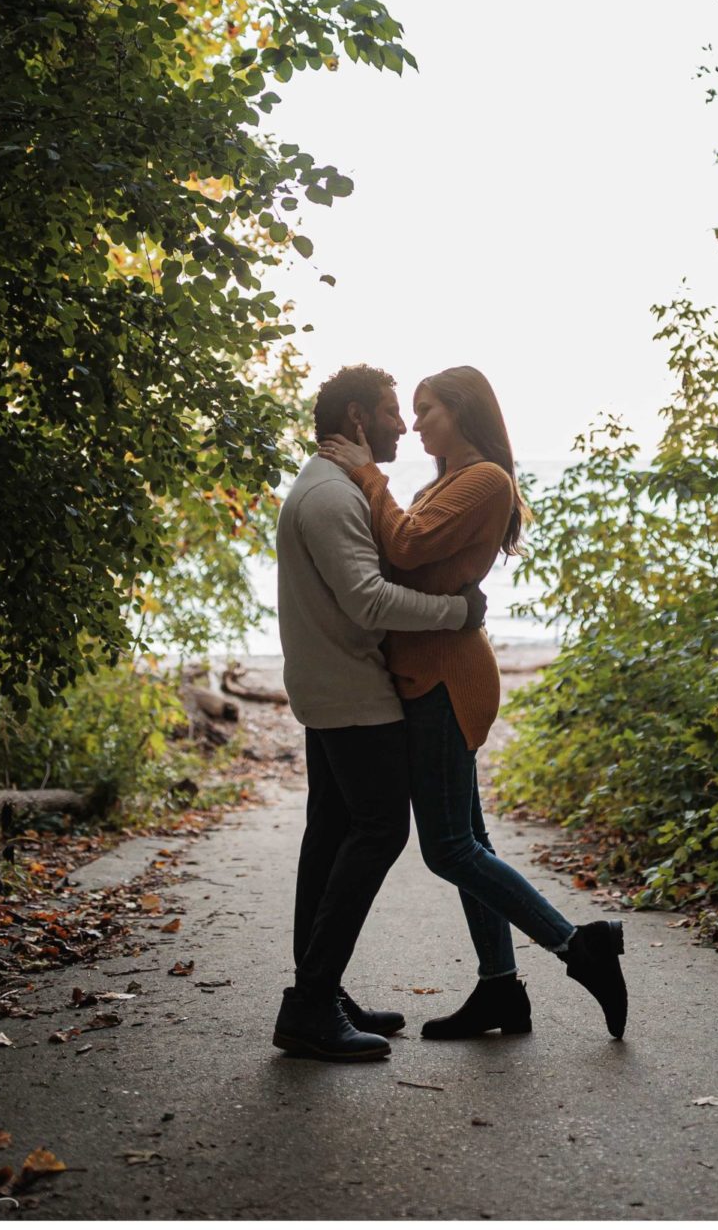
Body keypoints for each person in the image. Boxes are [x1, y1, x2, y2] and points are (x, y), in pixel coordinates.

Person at [318, 364, 628, 1041]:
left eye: (427, 409)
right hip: (432, 674)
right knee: (470, 840)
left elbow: (405, 544)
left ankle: (581, 947)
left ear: (462, 411)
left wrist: (368, 475)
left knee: (448, 848)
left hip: (445, 681)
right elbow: (400, 558)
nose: (416, 421)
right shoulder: (448, 483)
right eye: (414, 410)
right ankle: (499, 991)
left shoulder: (485, 479)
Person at [272, 363, 489, 1063]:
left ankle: (320, 989)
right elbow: (369, 601)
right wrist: (456, 612)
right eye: (395, 412)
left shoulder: (325, 485)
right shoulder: (332, 495)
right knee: (377, 833)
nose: (404, 425)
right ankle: (309, 1005)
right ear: (360, 419)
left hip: (330, 687)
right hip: (352, 695)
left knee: (332, 835)